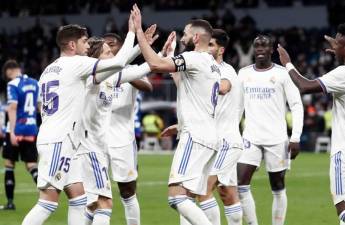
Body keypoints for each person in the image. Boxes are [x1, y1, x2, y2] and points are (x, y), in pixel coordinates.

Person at [22, 8, 141, 225]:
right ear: (71, 45)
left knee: (79, 199)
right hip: (59, 140)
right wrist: (133, 32)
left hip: (62, 140)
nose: (88, 46)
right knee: (47, 202)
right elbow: (118, 62)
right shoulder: (75, 64)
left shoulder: (49, 69)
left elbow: (112, 70)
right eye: (84, 41)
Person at [277, 22, 345, 225]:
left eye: (338, 43)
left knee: (344, 210)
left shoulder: (344, 74)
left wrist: (287, 63)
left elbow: (305, 86)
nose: (334, 47)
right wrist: (340, 49)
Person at [131, 4, 221, 225]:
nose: (182, 38)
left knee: (176, 197)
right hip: (207, 135)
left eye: (186, 34)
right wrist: (170, 54)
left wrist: (138, 32)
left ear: (197, 37)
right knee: (188, 197)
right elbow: (184, 85)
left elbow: (155, 64)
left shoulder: (195, 58)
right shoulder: (211, 65)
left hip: (196, 135)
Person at [162, 29, 245, 225]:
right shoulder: (204, 68)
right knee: (225, 192)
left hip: (225, 140)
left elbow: (222, 88)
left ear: (221, 50)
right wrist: (182, 124)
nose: (208, 49)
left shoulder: (225, 71)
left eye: (212, 46)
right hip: (214, 139)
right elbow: (188, 89)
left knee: (201, 191)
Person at [237, 35, 304, 225]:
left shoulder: (283, 74)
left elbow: (296, 105)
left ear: (271, 50)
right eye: (256, 45)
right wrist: (232, 133)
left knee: (277, 186)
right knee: (240, 184)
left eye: (264, 45)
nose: (259, 49)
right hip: (250, 137)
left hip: (276, 139)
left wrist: (296, 137)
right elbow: (237, 107)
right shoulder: (243, 73)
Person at [102, 32, 154, 225]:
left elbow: (148, 87)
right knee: (95, 194)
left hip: (122, 139)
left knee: (127, 192)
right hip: (96, 140)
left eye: (112, 44)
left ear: (122, 47)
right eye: (104, 45)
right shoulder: (97, 70)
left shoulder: (133, 69)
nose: (108, 47)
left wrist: (125, 74)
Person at [0, 60, 40, 210]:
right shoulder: (35, 83)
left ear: (9, 71)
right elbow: (39, 107)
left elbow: (12, 107)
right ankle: (47, 198)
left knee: (9, 164)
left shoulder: (12, 84)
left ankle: (10, 203)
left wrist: (12, 132)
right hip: (31, 129)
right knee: (31, 165)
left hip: (16, 128)